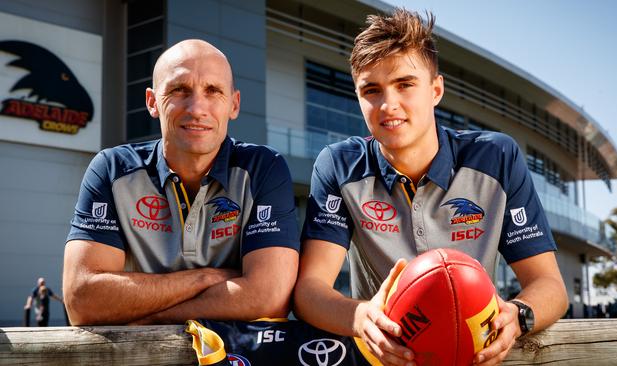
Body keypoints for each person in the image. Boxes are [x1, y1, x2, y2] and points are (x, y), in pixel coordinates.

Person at [295, 9, 568, 366]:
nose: (388, 104)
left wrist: (518, 315)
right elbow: (309, 291)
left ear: (436, 90)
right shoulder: (339, 165)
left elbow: (551, 286)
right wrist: (361, 318)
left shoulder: (496, 157)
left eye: (404, 84)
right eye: (371, 90)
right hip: (386, 358)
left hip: (472, 354)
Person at [63, 39, 299, 326]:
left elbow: (269, 298)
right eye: (179, 90)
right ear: (152, 102)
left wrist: (149, 316)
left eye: (213, 91)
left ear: (234, 104)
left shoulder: (263, 168)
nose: (197, 108)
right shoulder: (112, 169)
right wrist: (206, 278)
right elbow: (82, 301)